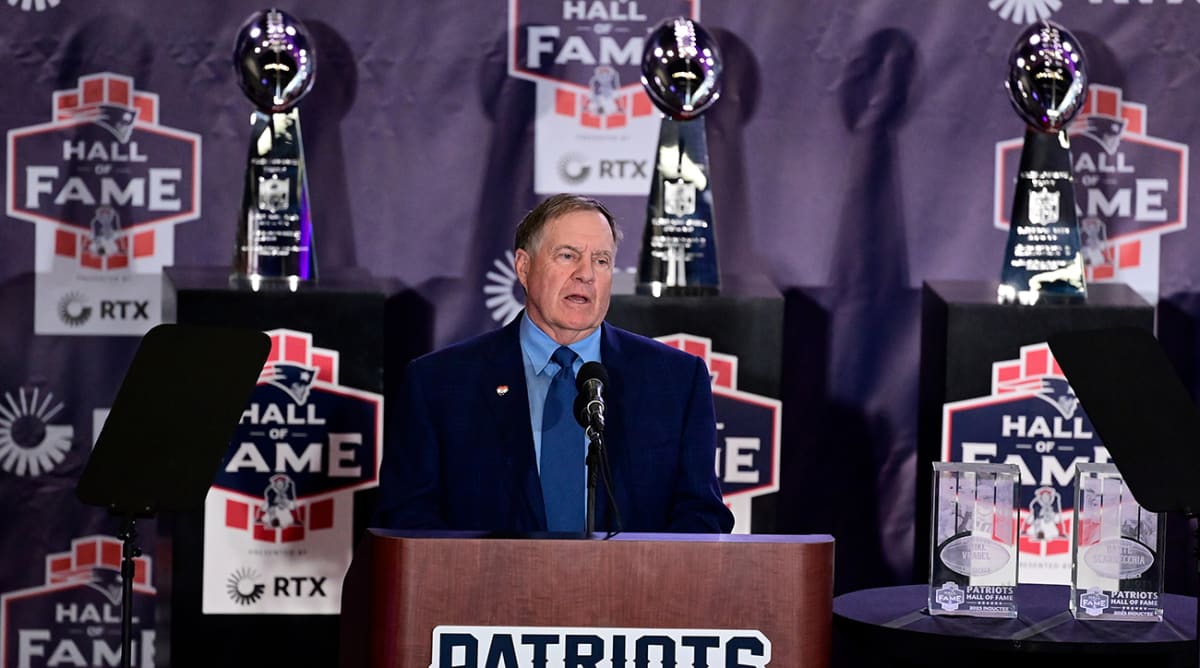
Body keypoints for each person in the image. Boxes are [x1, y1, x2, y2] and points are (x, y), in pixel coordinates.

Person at [374, 194, 733, 533]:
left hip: (633, 595)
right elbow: (407, 520)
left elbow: (701, 514)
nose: (586, 274)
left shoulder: (676, 381)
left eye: (602, 260)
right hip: (486, 595)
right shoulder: (439, 384)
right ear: (524, 267)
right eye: (567, 256)